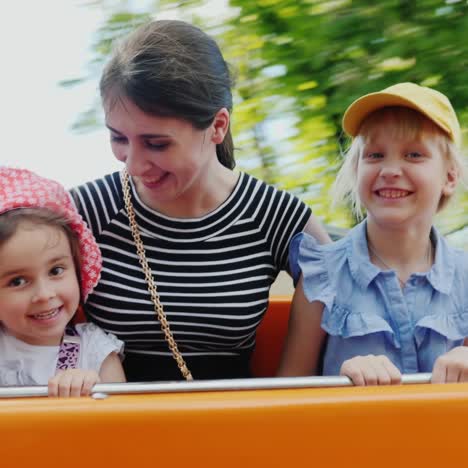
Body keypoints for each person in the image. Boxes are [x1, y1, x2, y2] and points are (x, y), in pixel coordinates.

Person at [70, 19, 330, 382]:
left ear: (218, 126)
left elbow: (339, 298)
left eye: (156, 143)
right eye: (119, 139)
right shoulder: (86, 212)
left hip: (232, 429)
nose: (133, 164)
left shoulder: (277, 218)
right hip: (107, 430)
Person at [277, 82, 468, 385]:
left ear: (449, 177)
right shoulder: (321, 277)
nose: (391, 169)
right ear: (356, 171)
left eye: (414, 155)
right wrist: (341, 382)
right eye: (375, 155)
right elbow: (286, 395)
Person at [0, 167, 126, 396]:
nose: (45, 294)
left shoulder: (94, 350)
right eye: (18, 281)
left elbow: (123, 423)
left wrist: (94, 390)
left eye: (56, 270)